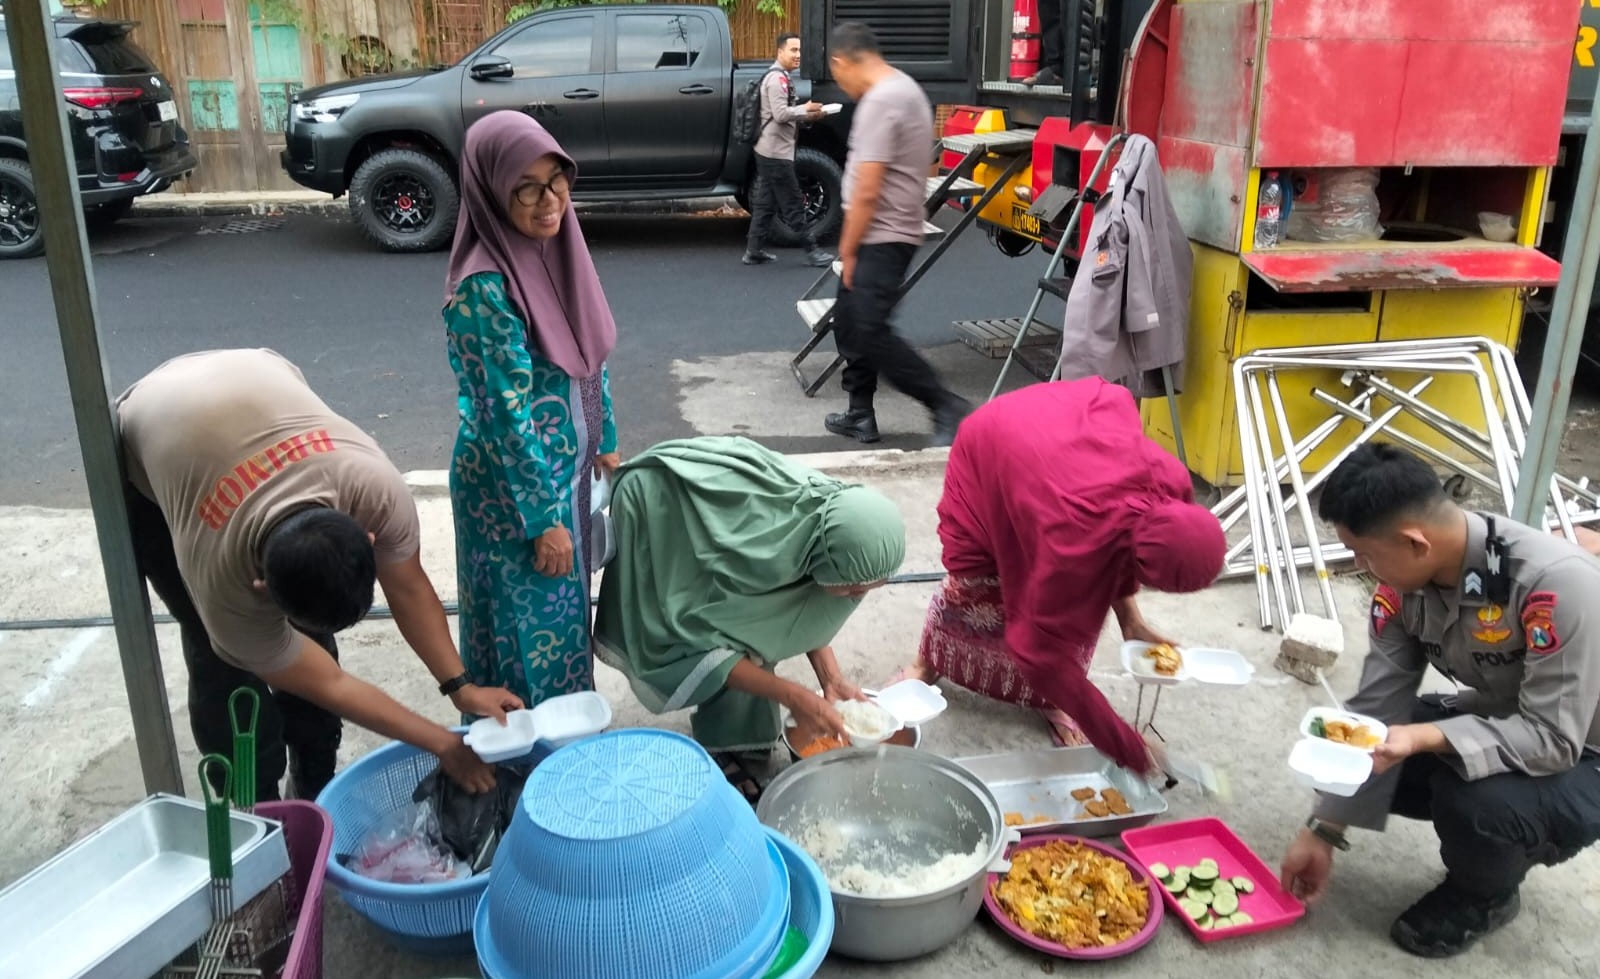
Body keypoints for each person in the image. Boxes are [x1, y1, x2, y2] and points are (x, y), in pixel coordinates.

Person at [118, 349, 522, 802]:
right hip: (151, 421)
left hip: (257, 372)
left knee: (310, 643)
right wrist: (442, 743)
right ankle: (257, 805)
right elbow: (330, 683)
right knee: (223, 663)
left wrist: (461, 687)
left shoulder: (375, 490)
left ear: (367, 536)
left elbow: (408, 586)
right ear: (261, 586)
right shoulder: (221, 583)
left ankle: (314, 783)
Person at [1279, 443, 1600, 958]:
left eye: (1364, 554)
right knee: (1342, 745)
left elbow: (1554, 738)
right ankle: (1474, 820)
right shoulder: (1403, 587)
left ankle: (1484, 894)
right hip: (1505, 716)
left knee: (1478, 802)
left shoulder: (1555, 586)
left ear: (1415, 542)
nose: (1360, 566)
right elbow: (1375, 709)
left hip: (1584, 750)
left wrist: (1428, 737)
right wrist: (1324, 830)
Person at [889, 379, 1226, 774]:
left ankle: (1051, 698)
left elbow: (1125, 545)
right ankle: (929, 662)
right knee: (974, 578)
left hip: (1061, 435)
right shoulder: (1072, 543)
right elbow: (1040, 655)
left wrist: (1132, 622)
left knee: (1079, 610)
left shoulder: (1172, 487)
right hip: (993, 442)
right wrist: (1125, 744)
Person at [592, 436, 905, 800]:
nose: (856, 596)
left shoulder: (834, 529)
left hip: (718, 512)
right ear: (829, 560)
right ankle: (723, 747)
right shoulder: (759, 558)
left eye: (867, 589)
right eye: (852, 588)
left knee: (761, 635)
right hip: (659, 509)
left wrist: (831, 679)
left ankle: (738, 736)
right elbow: (716, 632)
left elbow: (800, 610)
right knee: (714, 639)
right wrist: (797, 697)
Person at [444, 111, 621, 711]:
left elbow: (589, 351)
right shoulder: (483, 288)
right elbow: (503, 415)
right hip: (512, 495)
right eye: (526, 188)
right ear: (491, 191)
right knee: (524, 630)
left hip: (566, 478)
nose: (549, 201)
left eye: (557, 181)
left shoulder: (559, 250)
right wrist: (543, 521)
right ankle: (526, 753)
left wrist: (605, 435)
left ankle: (567, 738)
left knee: (564, 621)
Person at [823, 21, 972, 448]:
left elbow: (867, 189)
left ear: (841, 63)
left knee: (870, 329)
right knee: (849, 322)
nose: (842, 86)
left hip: (879, 235)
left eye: (837, 76)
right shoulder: (906, 90)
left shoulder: (882, 100)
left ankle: (946, 405)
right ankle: (859, 411)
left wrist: (848, 249)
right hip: (890, 230)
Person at [743, 32, 834, 268]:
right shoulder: (777, 79)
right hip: (775, 154)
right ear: (780, 52)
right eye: (793, 50)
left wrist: (808, 114)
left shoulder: (780, 76)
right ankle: (813, 251)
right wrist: (806, 109)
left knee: (765, 203)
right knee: (793, 202)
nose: (798, 55)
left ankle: (753, 251)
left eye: (800, 50)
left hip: (769, 150)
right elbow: (781, 114)